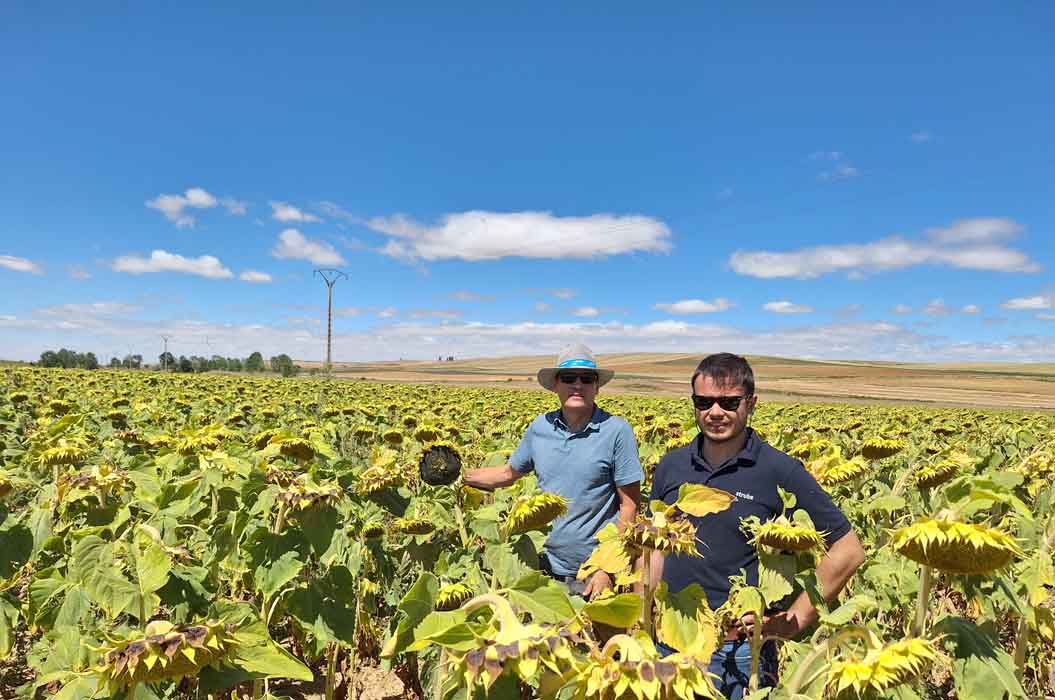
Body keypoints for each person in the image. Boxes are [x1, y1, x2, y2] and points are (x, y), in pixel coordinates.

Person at [648, 353, 865, 698]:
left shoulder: (779, 470)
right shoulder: (671, 466)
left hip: (737, 653)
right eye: (704, 402)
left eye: (729, 402)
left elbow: (849, 550)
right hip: (667, 642)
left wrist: (791, 621)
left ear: (751, 403)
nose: (715, 412)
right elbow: (655, 549)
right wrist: (642, 617)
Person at [463, 343, 644, 600]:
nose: (577, 385)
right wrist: (459, 475)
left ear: (597, 386)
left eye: (587, 379)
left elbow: (629, 505)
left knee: (596, 640)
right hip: (544, 565)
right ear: (556, 385)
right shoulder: (540, 427)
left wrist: (608, 568)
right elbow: (507, 474)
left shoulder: (616, 431)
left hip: (595, 572)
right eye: (569, 378)